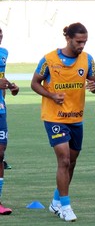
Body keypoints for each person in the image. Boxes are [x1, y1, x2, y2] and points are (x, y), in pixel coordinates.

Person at [31, 22, 95, 222]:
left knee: (72, 162)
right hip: (54, 117)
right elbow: (35, 83)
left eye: (85, 42)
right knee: (64, 160)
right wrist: (51, 95)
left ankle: (55, 201)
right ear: (68, 39)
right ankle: (66, 207)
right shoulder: (49, 59)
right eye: (79, 41)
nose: (82, 46)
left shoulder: (87, 60)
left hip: (76, 118)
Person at [0, 26, 19, 215]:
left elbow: (1, 77)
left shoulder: (3, 53)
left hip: (0, 108)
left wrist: (10, 86)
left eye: (1, 34)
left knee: (0, 153)